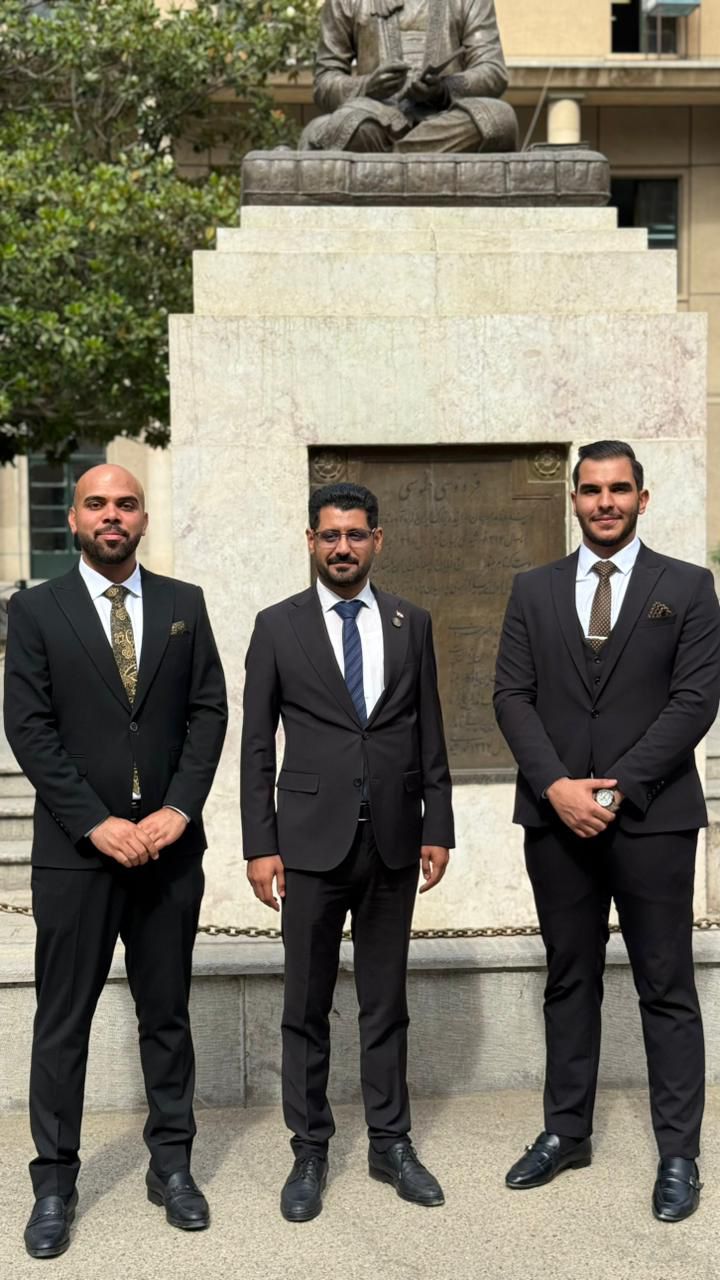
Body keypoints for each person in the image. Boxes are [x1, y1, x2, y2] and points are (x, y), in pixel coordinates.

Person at [3, 465, 227, 1259]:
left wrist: (178, 810)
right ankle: (55, 1184)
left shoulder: (183, 604)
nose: (112, 514)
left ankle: (172, 1167)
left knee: (166, 1016)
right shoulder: (36, 611)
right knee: (63, 1021)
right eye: (96, 503)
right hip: (77, 856)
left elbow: (208, 714)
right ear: (74, 519)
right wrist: (95, 822)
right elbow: (30, 728)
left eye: (126, 504)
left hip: (169, 852)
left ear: (142, 519)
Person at [493, 439, 720, 1223]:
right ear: (574, 500)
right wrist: (557, 787)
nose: (605, 502)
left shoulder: (687, 587)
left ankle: (679, 1154)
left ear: (642, 499)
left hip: (654, 819)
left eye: (619, 489)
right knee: (568, 978)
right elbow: (511, 696)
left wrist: (617, 789)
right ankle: (567, 1132)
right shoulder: (532, 589)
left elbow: (694, 701)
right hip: (554, 818)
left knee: (666, 985)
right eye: (591, 490)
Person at [241, 481, 454, 1221]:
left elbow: (430, 732)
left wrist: (437, 825)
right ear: (310, 541)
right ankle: (309, 1148)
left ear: (377, 540)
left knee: (385, 1002)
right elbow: (257, 745)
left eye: (355, 534)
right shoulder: (277, 626)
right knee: (305, 1003)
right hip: (307, 845)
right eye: (329, 535)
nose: (342, 547)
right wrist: (260, 843)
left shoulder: (410, 622)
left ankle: (390, 1143)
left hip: (393, 840)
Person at [300, 0, 518, 154]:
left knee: (501, 119)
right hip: (375, 120)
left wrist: (444, 89)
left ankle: (391, 159)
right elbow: (325, 82)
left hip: (443, 120)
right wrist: (367, 86)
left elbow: (493, 70)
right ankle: (414, 157)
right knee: (347, 125)